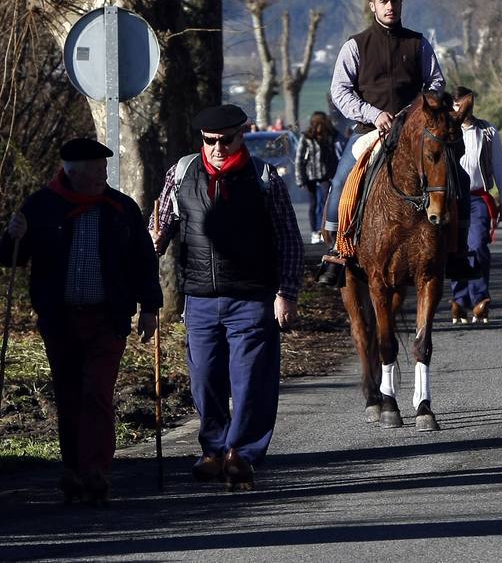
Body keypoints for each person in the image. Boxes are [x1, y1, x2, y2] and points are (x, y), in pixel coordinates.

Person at [0, 139, 160, 506]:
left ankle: (96, 470)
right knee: (69, 395)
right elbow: (10, 259)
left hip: (108, 319)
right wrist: (13, 235)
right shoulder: (42, 206)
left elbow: (142, 260)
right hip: (60, 321)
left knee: (97, 393)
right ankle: (72, 468)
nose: (103, 178)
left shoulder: (120, 208)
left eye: (105, 171)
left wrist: (150, 306)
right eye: (96, 172)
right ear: (73, 174)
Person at [152, 104, 303, 490]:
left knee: (251, 380)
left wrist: (286, 293)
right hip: (199, 298)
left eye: (226, 140)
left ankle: (242, 453)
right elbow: (162, 226)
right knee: (205, 379)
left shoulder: (265, 176)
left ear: (242, 136)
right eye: (210, 141)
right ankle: (213, 450)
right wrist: (151, 241)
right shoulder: (182, 173)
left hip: (252, 298)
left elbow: (288, 239)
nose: (217, 148)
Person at [319, 0, 458, 287]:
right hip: (371, 130)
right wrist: (373, 113)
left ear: (401, 3)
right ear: (373, 6)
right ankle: (337, 251)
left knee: (454, 176)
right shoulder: (355, 45)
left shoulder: (418, 43)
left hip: (414, 131)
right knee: (341, 182)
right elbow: (339, 91)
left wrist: (416, 112)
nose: (390, 6)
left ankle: (457, 251)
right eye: (383, 1)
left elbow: (436, 83)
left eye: (394, 1)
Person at [448, 87, 502, 324]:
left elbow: (500, 166)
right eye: (456, 105)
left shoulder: (487, 131)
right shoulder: (446, 130)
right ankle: (459, 299)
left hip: (477, 198)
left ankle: (479, 300)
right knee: (456, 247)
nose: (461, 109)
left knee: (478, 246)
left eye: (463, 104)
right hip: (452, 199)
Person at [294, 111, 339, 244]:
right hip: (310, 175)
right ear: (314, 125)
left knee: (326, 201)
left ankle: (324, 229)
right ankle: (314, 232)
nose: (320, 128)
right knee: (313, 203)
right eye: (318, 124)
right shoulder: (306, 138)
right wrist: (300, 179)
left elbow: (334, 155)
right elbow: (299, 159)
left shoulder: (329, 136)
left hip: (326, 174)